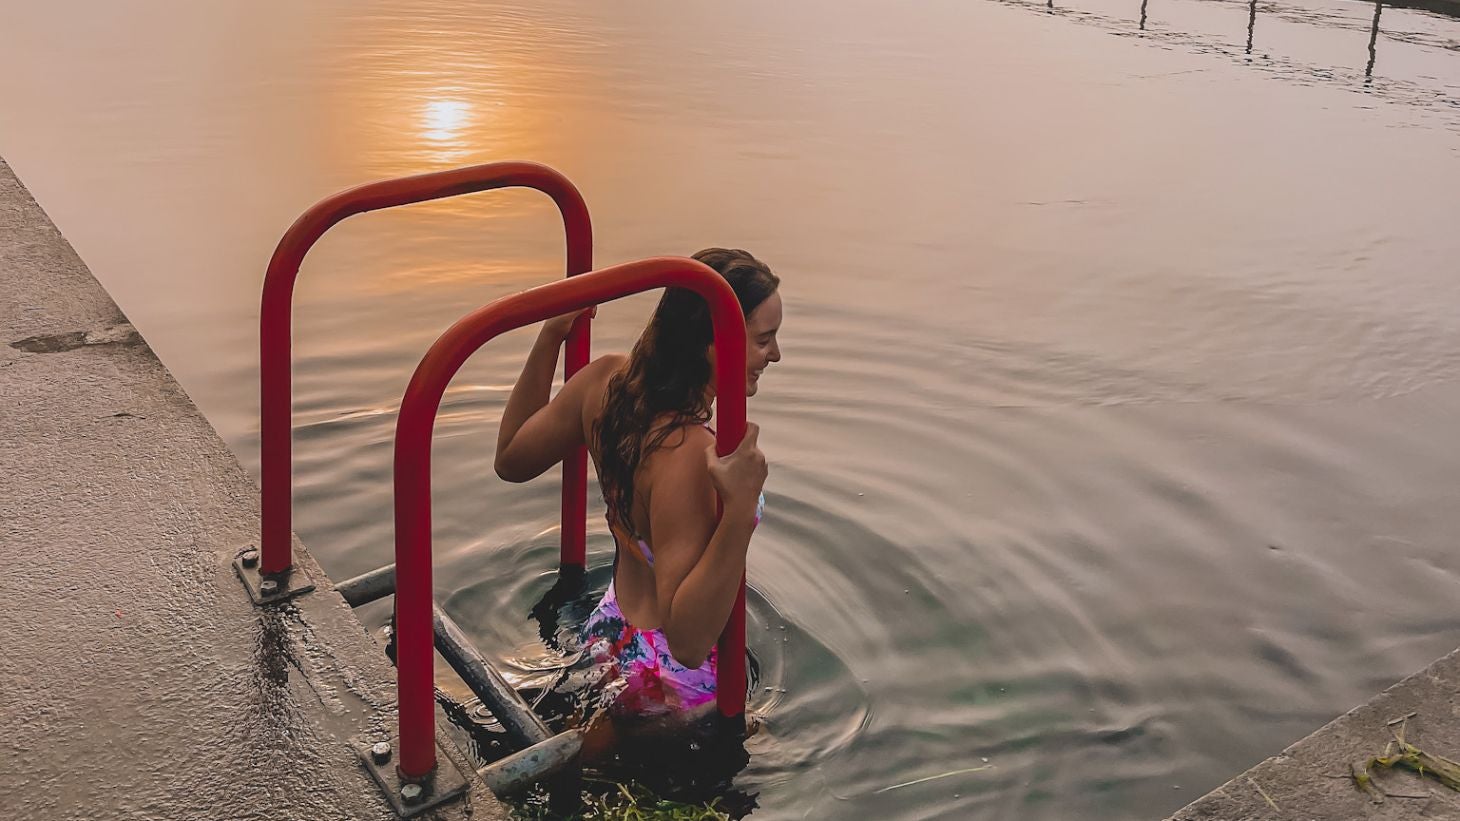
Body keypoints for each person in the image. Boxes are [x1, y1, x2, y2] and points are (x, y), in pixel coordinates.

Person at [495, 248, 782, 718]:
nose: (776, 355)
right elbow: (688, 642)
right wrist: (740, 511)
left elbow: (511, 459)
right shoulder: (692, 454)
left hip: (607, 632)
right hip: (673, 684)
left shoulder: (604, 382)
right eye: (764, 340)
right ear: (712, 343)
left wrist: (551, 335)